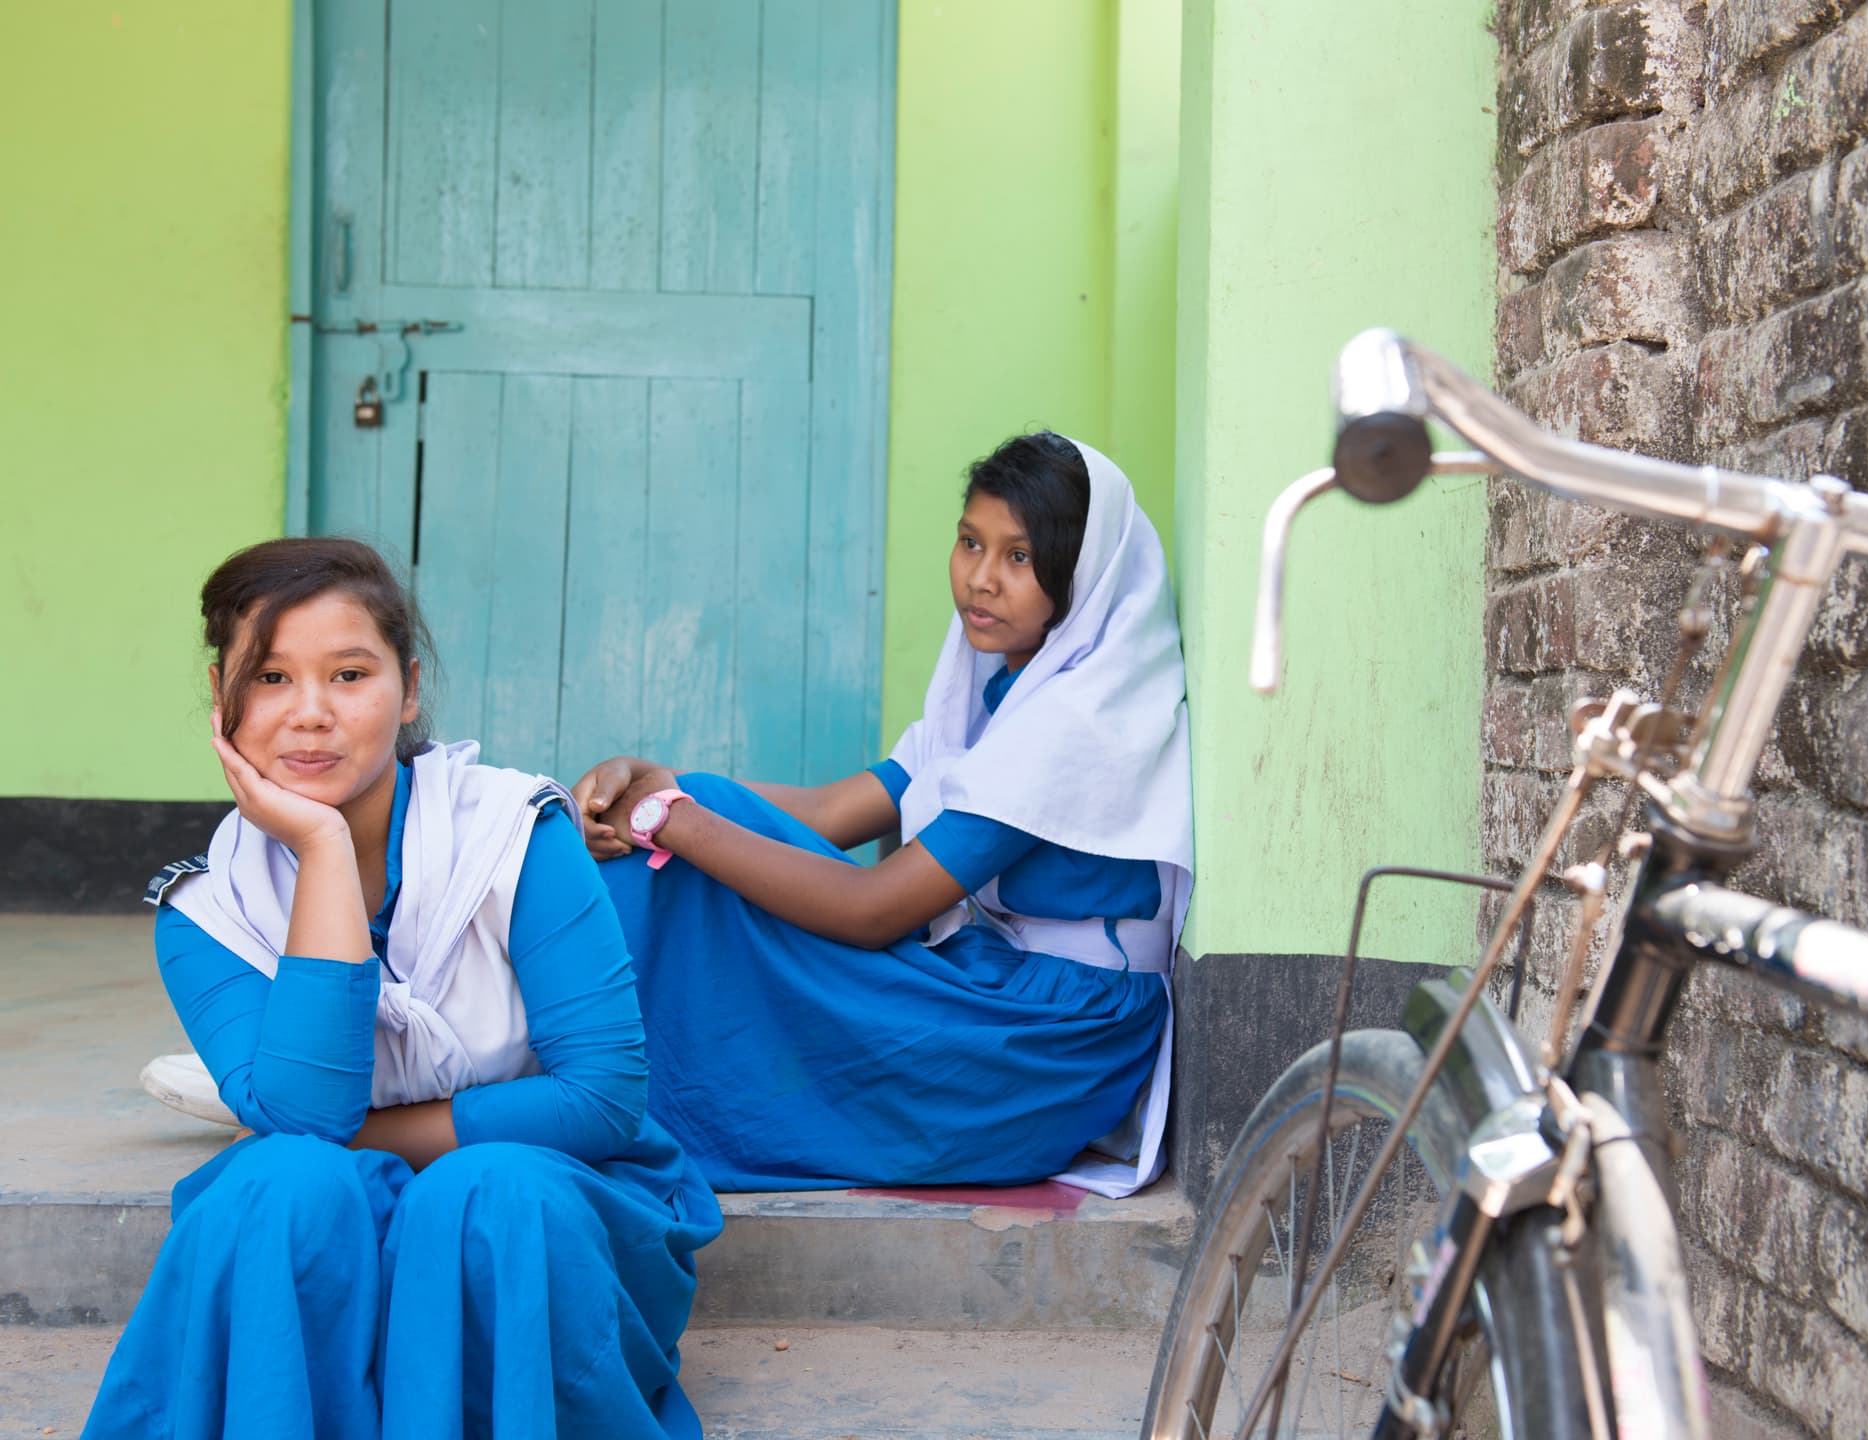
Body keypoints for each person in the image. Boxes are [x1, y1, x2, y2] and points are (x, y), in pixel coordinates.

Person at [87, 539, 720, 1440]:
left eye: (348, 675)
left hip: (539, 1224)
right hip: (341, 1220)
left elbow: (602, 1101)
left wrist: (374, 1142)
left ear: (409, 687)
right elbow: (309, 1120)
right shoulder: (204, 910)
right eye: (269, 680)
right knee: (279, 1185)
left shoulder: (515, 834)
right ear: (222, 700)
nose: (311, 715)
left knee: (483, 1190)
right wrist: (321, 853)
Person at [574, 432, 1192, 1197]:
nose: (981, 579)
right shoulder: (998, 689)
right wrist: (665, 781)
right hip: (1000, 991)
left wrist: (670, 819)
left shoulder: (1075, 723)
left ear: (1082, 575)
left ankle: (596, 1094)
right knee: (707, 821)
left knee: (696, 848)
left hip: (1053, 1046)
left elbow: (872, 909)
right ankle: (596, 1081)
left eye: (1019, 558)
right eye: (970, 543)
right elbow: (834, 810)